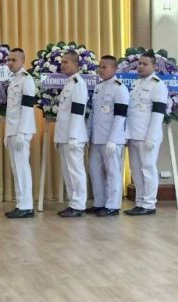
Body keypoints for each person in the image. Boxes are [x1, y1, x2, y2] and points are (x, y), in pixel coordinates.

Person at [125, 50, 168, 216]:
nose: (141, 67)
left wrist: (151, 137)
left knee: (148, 169)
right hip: (133, 134)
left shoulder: (158, 85)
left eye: (145, 64)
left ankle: (149, 204)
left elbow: (158, 114)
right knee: (136, 171)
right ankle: (140, 202)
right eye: (139, 64)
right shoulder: (136, 84)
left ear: (154, 66)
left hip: (147, 136)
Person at [87, 55, 128, 217]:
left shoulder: (119, 88)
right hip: (97, 138)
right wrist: (88, 135)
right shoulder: (99, 87)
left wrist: (112, 140)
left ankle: (113, 205)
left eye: (104, 67)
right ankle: (99, 202)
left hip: (112, 139)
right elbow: (93, 114)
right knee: (94, 169)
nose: (101, 70)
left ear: (115, 69)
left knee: (113, 172)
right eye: (100, 67)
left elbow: (120, 116)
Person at [53, 50, 88, 218]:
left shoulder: (78, 84)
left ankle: (79, 205)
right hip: (64, 136)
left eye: (66, 62)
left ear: (76, 65)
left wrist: (73, 136)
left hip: (73, 137)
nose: (63, 65)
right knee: (68, 171)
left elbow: (77, 113)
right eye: (62, 62)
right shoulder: (69, 83)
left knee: (75, 171)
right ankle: (73, 202)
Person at [4, 47, 38, 219]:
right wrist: (8, 133)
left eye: (14, 60)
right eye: (9, 60)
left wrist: (21, 132)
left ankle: (26, 206)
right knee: (16, 168)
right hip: (13, 130)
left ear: (22, 61)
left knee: (22, 168)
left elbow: (27, 109)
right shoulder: (13, 80)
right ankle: (21, 204)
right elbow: (11, 110)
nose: (10, 63)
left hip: (21, 131)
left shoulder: (27, 80)